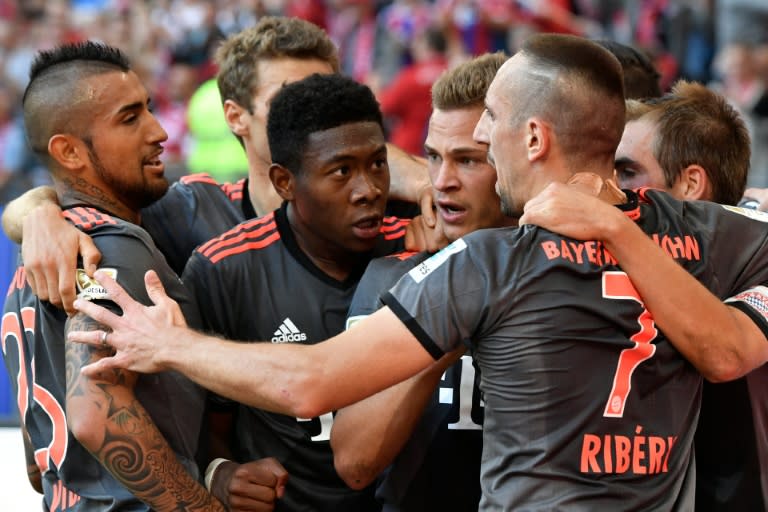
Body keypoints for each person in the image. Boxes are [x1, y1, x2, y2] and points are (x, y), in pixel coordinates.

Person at [67, 34, 768, 510]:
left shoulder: (484, 264)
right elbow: (731, 342)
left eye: (489, 123)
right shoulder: (717, 236)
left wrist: (168, 344)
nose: (484, 138)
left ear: (534, 137)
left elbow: (309, 380)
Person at [0, 40, 281, 511]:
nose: (159, 131)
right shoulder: (108, 246)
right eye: (130, 119)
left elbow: (37, 462)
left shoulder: (30, 267)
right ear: (69, 151)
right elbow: (96, 416)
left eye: (149, 110)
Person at [1, 16, 434, 313]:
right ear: (235, 116)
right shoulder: (187, 212)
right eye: (289, 98)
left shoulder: (389, 209)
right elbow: (64, 198)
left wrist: (426, 181)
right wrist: (40, 213)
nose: (314, 117)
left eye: (324, 95)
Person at [183, 72, 408, 511]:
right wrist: (219, 471)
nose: (369, 190)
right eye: (342, 171)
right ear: (285, 182)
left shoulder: (424, 248)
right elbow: (206, 426)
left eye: (378, 164)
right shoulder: (225, 269)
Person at [331, 51, 512, 511]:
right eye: (433, 157)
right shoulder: (395, 276)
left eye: (469, 161)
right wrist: (451, 310)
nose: (442, 182)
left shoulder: (576, 274)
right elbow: (354, 463)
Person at [608, 80, 764, 511]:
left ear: (691, 184)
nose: (610, 189)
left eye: (626, 172)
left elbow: (724, 355)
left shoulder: (760, 252)